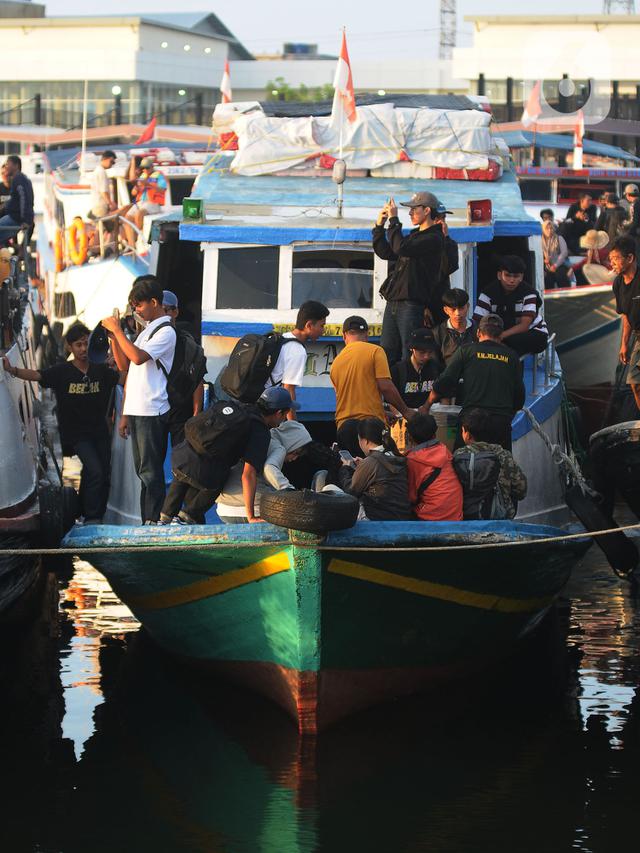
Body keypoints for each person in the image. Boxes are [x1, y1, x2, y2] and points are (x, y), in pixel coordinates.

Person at [2, 323, 121, 523]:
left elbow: (121, 378)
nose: (83, 349)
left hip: (99, 432)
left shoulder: (101, 370)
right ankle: (93, 517)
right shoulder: (62, 372)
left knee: (101, 472)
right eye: (78, 345)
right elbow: (38, 375)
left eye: (85, 344)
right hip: (77, 434)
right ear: (69, 347)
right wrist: (11, 369)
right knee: (95, 470)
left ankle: (85, 510)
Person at [101, 275, 176, 524]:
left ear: (154, 302)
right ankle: (147, 521)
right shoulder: (147, 331)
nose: (136, 310)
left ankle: (153, 521)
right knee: (143, 472)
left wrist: (118, 331)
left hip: (152, 409)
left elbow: (137, 358)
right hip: (138, 409)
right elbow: (124, 366)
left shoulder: (165, 331)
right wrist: (113, 338)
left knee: (150, 472)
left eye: (139, 305)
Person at [161, 386, 296, 525]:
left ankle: (164, 517)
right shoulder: (260, 431)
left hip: (180, 457)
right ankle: (188, 515)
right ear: (279, 413)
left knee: (184, 474)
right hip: (203, 473)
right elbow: (248, 475)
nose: (284, 420)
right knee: (221, 477)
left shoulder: (242, 407)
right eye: (286, 415)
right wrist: (251, 516)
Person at [421, 314, 525, 451]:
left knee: (462, 464)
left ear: (478, 333)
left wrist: (427, 405)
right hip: (500, 422)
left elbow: (445, 382)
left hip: (471, 422)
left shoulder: (466, 351)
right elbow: (519, 398)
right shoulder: (512, 356)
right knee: (500, 466)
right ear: (500, 336)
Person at [373, 191, 447, 366]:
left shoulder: (434, 237)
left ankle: (409, 392)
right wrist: (379, 226)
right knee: (387, 352)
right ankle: (390, 392)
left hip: (411, 304)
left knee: (410, 353)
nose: (410, 213)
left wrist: (394, 221)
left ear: (427, 210)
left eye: (414, 209)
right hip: (394, 302)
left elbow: (401, 248)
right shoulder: (414, 236)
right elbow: (386, 252)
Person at [330, 316, 412, 457]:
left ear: (344, 335)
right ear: (367, 335)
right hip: (369, 428)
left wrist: (383, 412)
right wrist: (405, 411)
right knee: (378, 471)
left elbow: (347, 397)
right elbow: (385, 387)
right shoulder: (375, 351)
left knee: (352, 473)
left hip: (344, 427)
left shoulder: (336, 363)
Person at [215, 419, 316, 523]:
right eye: (296, 453)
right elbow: (269, 469)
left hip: (224, 509)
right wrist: (290, 491)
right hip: (251, 510)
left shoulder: (257, 437)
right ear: (291, 444)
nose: (294, 459)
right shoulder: (279, 448)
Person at [454, 407, 527, 519]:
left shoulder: (459, 457)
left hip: (467, 520)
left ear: (467, 435)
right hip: (499, 520)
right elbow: (521, 490)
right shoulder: (504, 455)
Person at [472, 255, 548, 356]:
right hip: (497, 333)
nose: (511, 280)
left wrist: (500, 336)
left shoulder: (529, 293)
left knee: (514, 342)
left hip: (531, 332)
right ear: (499, 275)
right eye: (507, 275)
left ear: (521, 277)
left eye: (516, 276)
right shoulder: (487, 294)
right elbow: (479, 321)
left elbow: (524, 325)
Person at [338, 417, 412, 521]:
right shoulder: (396, 456)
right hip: (402, 516)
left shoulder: (371, 462)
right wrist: (362, 466)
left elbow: (350, 491)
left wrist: (345, 468)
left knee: (329, 489)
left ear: (366, 441)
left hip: (377, 519)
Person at [267, 300, 329, 418]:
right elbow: (288, 390)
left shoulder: (283, 338)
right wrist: (293, 425)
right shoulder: (297, 351)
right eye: (322, 325)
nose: (323, 330)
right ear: (309, 325)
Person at [160, 289, 205, 446]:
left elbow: (198, 379)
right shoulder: (149, 340)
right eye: (160, 310)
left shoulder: (187, 342)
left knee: (182, 463)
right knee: (152, 465)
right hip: (157, 409)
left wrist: (196, 414)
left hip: (181, 411)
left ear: (176, 311)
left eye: (167, 310)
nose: (164, 315)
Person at [405, 413, 463, 521]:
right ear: (435, 434)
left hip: (430, 519)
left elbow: (411, 497)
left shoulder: (412, 461)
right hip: (456, 517)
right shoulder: (444, 450)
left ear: (410, 437)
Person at [609, 236, 640, 410]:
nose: (612, 263)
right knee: (635, 383)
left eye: (616, 259)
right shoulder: (618, 283)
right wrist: (624, 344)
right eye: (610, 259)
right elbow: (626, 315)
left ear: (630, 258)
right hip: (638, 336)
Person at [390, 328, 442, 409]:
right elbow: (390, 400)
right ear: (412, 349)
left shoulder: (437, 368)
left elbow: (445, 397)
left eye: (430, 352)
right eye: (422, 352)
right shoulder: (397, 371)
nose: (426, 356)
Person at [432, 288, 477, 366]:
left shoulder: (478, 329)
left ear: (468, 306)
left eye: (461, 308)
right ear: (445, 310)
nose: (458, 313)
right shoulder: (438, 333)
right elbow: (435, 363)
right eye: (453, 309)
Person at [125, 155, 167, 236]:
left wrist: (148, 184)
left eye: (147, 168)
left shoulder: (159, 175)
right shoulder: (142, 176)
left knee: (139, 214)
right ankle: (132, 244)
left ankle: (141, 238)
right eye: (143, 168)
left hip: (153, 203)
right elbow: (133, 193)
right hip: (141, 202)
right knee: (128, 217)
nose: (144, 170)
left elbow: (162, 189)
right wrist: (137, 188)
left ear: (152, 167)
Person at [0, 155, 34, 231]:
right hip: (13, 216)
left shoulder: (20, 179)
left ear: (16, 166)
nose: (6, 166)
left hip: (16, 218)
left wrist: (25, 220)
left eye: (8, 164)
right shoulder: (17, 179)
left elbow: (25, 199)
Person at [433, 202, 459, 292]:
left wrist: (445, 237)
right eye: (437, 218)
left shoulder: (449, 243)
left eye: (443, 217)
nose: (441, 222)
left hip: (440, 294)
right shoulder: (417, 240)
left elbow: (450, 267)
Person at [542, 219, 572, 289]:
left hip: (560, 264)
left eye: (551, 228)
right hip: (547, 266)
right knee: (547, 277)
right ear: (543, 229)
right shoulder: (540, 240)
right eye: (547, 228)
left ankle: (565, 293)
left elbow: (564, 253)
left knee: (560, 274)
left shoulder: (559, 238)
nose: (549, 230)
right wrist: (544, 260)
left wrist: (555, 265)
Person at [89, 150, 117, 219]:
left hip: (96, 204)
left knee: (100, 226)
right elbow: (103, 191)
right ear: (106, 159)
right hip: (101, 206)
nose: (112, 165)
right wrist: (110, 204)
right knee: (102, 226)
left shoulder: (97, 170)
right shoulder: (101, 172)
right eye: (111, 162)